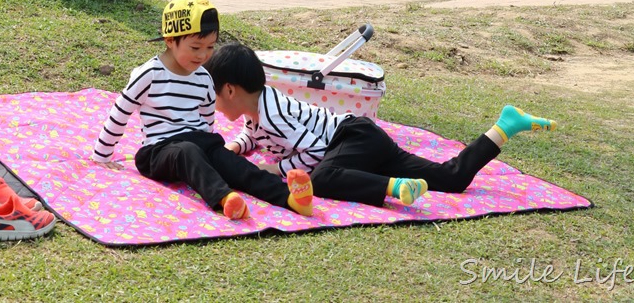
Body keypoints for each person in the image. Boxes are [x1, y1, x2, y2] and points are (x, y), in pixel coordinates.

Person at [207, 41, 556, 210]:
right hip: (360, 149)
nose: (215, 105)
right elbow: (253, 132)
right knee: (452, 178)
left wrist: (278, 167)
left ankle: (392, 187)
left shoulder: (274, 113)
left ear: (231, 90)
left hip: (351, 138)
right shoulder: (258, 108)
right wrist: (238, 146)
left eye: (215, 97)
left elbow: (313, 150)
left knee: (321, 178)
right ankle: (506, 125)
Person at [91, 0, 314, 220]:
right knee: (188, 151)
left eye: (210, 47)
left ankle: (290, 198)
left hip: (198, 144)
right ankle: (224, 198)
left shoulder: (203, 77)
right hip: (159, 151)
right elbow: (121, 111)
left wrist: (214, 153)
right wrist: (103, 154)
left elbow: (207, 119)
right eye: (196, 47)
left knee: (231, 161)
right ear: (170, 40)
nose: (203, 55)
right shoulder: (149, 74)